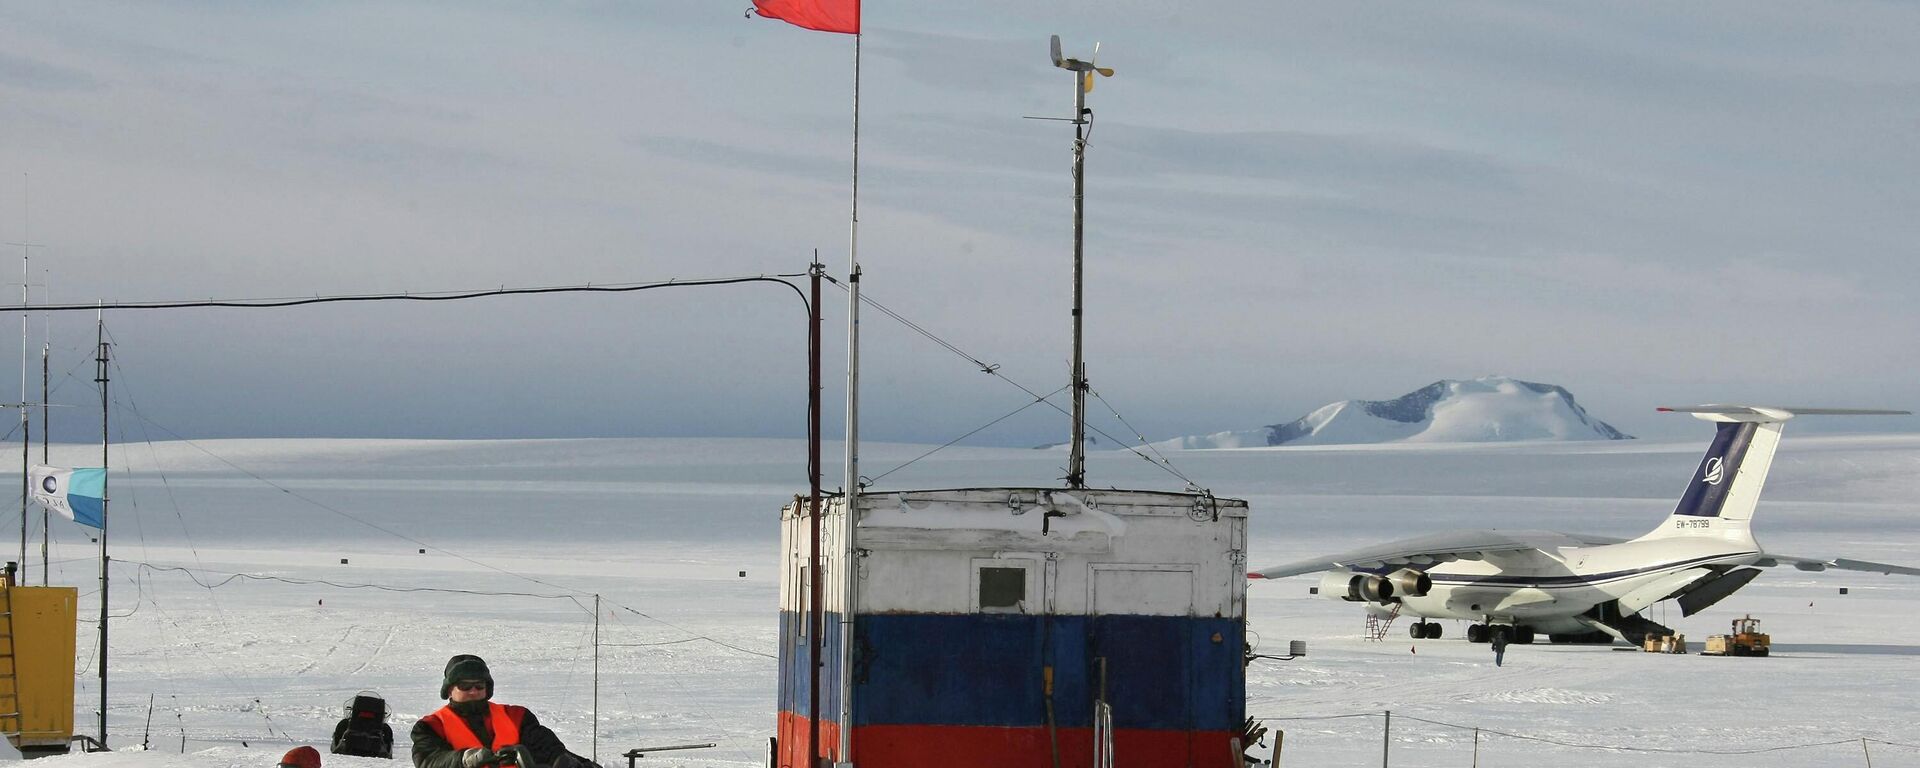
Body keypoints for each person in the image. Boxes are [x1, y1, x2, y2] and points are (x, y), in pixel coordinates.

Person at [410, 655, 577, 768]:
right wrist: (464, 759)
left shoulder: (517, 716)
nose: (473, 691)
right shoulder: (431, 726)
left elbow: (547, 747)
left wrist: (560, 759)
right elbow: (428, 760)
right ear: (448, 690)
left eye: (479, 685)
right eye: (465, 686)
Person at [331, 691, 395, 758]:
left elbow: (336, 741)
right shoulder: (384, 728)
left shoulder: (345, 724)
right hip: (375, 756)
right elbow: (388, 746)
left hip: (346, 754)